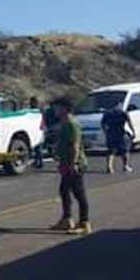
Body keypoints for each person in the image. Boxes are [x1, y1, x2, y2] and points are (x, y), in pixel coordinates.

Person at [50, 98, 91, 235]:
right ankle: (67, 219)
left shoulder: (72, 124)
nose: (55, 110)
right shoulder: (64, 124)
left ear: (64, 109)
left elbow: (75, 146)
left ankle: (85, 223)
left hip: (75, 163)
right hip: (66, 163)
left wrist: (73, 163)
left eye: (57, 107)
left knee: (79, 193)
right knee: (64, 190)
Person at [101, 102, 135, 174]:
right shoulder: (123, 113)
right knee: (125, 151)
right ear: (119, 105)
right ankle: (125, 166)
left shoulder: (107, 113)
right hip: (121, 133)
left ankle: (109, 167)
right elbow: (129, 123)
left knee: (111, 151)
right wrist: (133, 132)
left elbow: (102, 123)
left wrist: (105, 131)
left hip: (111, 133)